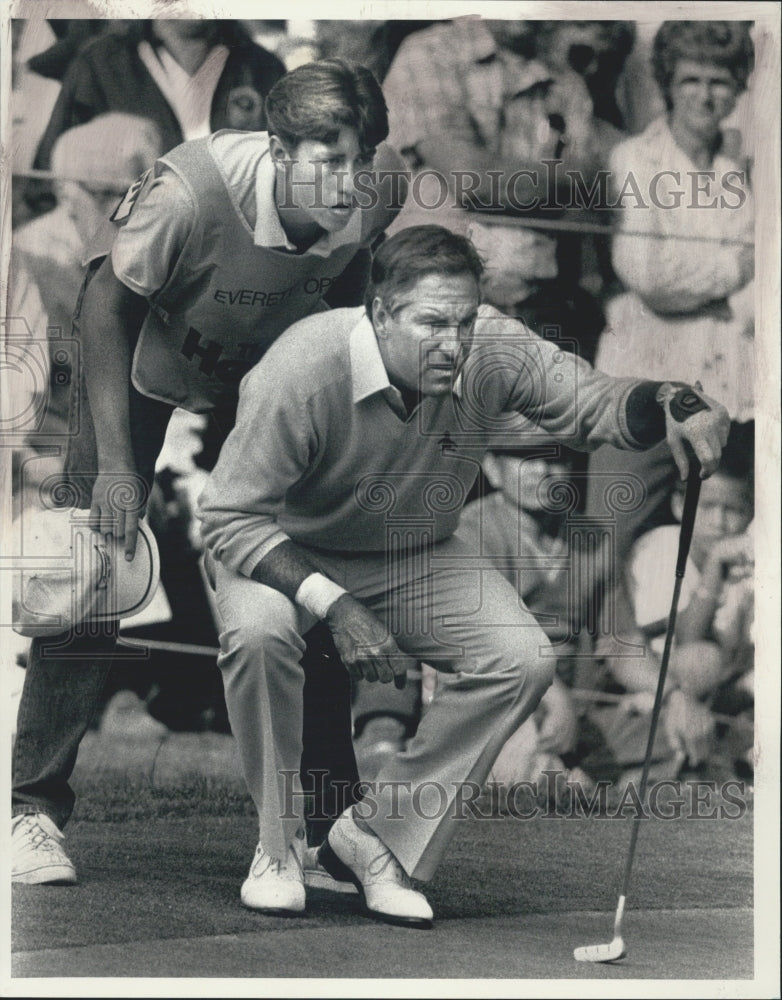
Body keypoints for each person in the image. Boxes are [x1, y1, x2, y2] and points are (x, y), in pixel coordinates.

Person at [197, 224, 729, 925]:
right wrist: (336, 607)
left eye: (464, 320)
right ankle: (278, 845)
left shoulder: (493, 347)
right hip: (278, 546)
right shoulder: (301, 367)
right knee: (262, 636)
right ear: (380, 313)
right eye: (430, 322)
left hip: (410, 549)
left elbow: (594, 402)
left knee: (521, 656)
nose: (452, 342)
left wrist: (673, 401)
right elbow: (229, 520)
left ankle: (374, 836)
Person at [11, 59, 407, 886]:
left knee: (315, 564)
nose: (347, 181)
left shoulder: (377, 190)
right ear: (276, 148)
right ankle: (31, 810)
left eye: (360, 158)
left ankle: (327, 826)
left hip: (261, 367)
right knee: (95, 564)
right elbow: (102, 307)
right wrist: (119, 465)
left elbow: (355, 293)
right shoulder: (189, 191)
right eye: (327, 160)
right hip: (147, 353)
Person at [587, 21, 755, 574]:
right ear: (666, 84)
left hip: (725, 390)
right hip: (643, 386)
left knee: (711, 556)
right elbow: (650, 273)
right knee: (603, 557)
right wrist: (736, 265)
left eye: (721, 82)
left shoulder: (746, 170)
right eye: (691, 80)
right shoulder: (635, 160)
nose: (707, 96)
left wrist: (727, 278)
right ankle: (568, 663)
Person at [586, 422, 754, 784]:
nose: (719, 522)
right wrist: (711, 571)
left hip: (719, 688)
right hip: (654, 682)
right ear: (679, 505)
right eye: (706, 507)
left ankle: (717, 756)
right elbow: (684, 637)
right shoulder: (661, 548)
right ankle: (690, 758)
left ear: (750, 515)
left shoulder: (744, 559)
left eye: (733, 510)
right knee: (702, 660)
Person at [25, 19, 286, 217]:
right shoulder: (102, 63)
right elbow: (48, 184)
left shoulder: (262, 68)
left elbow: (285, 177)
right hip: (125, 254)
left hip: (229, 253)